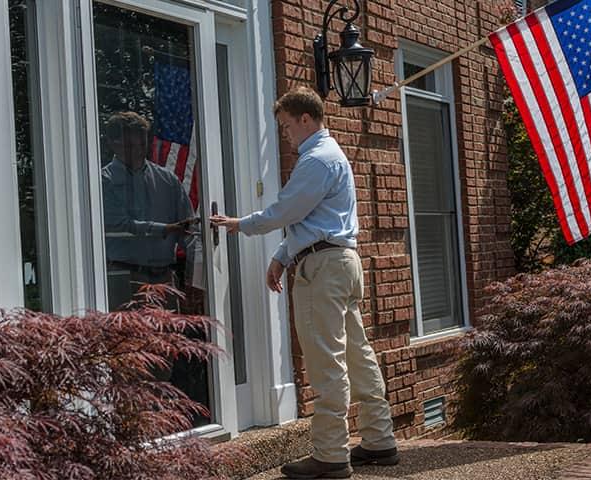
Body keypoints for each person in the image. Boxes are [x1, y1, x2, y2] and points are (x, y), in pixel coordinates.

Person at [211, 87, 398, 479]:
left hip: (323, 270)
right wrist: (281, 257)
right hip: (341, 262)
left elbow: (285, 211)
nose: (285, 135)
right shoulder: (332, 156)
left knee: (326, 360)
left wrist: (238, 225)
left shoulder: (316, 159)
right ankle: (379, 440)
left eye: (286, 126)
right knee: (356, 354)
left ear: (305, 120)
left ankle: (331, 454)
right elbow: (310, 221)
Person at [100, 111, 197, 309]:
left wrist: (194, 280)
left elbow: (190, 233)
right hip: (123, 277)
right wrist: (166, 229)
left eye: (142, 145)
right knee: (128, 338)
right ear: (113, 143)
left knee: (169, 337)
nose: (137, 151)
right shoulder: (103, 181)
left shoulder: (168, 181)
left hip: (164, 278)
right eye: (130, 146)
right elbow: (119, 224)